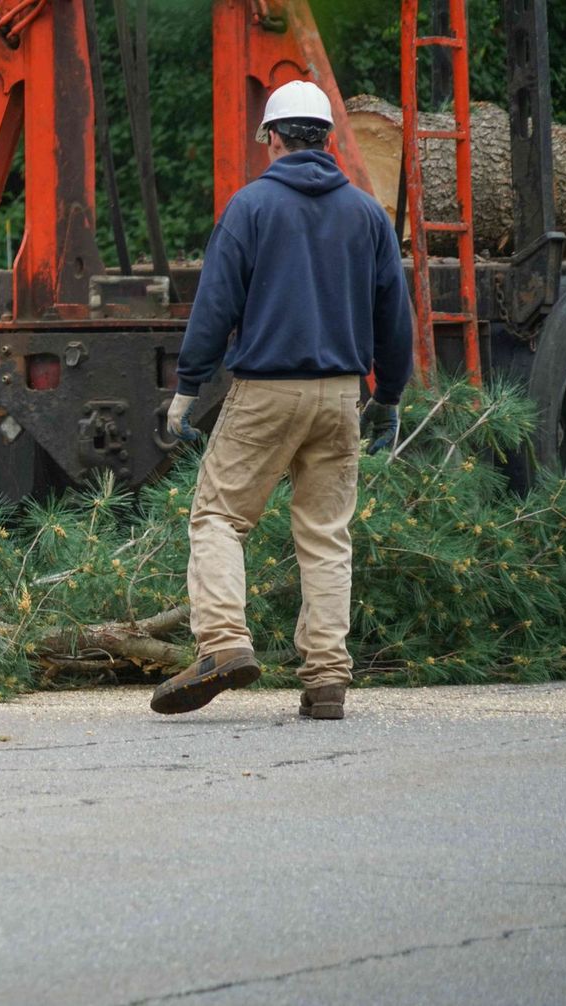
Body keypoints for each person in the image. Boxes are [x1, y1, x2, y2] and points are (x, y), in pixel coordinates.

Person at [150, 80, 412, 721]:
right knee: (326, 536)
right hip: (340, 396)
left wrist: (188, 386)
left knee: (217, 519)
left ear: (272, 138)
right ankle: (326, 681)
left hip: (266, 391)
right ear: (326, 139)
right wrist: (390, 396)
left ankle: (223, 644)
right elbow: (394, 315)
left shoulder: (251, 207)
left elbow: (215, 306)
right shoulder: (367, 214)